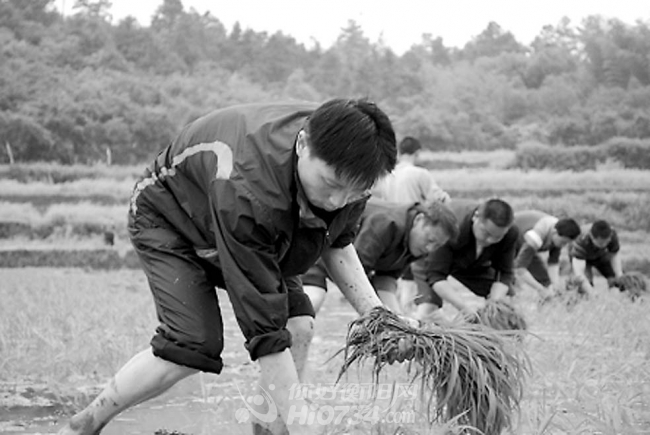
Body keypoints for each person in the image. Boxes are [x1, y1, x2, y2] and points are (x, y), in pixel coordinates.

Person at [56, 99, 399, 435]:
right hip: (171, 216)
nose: (337, 202)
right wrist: (300, 414)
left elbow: (336, 241)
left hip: (250, 218)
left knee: (300, 326)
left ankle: (267, 431)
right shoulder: (248, 190)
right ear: (302, 143)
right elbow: (262, 322)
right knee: (190, 345)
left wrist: (378, 318)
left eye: (353, 193)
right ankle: (83, 425)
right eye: (331, 184)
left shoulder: (352, 162)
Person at [302, 200, 459, 314]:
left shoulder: (414, 243)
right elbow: (354, 274)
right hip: (317, 249)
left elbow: (387, 277)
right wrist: (376, 314)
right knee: (311, 303)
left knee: (396, 316)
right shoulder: (386, 224)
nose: (430, 248)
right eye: (430, 240)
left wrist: (396, 317)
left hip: (347, 267)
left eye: (437, 246)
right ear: (419, 220)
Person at [412, 198, 518, 323]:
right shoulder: (451, 228)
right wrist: (464, 308)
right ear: (476, 217)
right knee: (427, 311)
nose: (490, 240)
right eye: (486, 233)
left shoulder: (510, 233)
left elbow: (504, 272)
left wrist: (494, 303)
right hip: (431, 257)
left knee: (505, 302)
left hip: (471, 262)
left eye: (497, 237)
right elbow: (436, 275)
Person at [513, 210, 581, 299]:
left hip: (525, 242)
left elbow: (553, 263)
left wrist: (555, 285)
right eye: (563, 242)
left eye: (566, 243)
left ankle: (551, 299)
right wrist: (540, 289)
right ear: (554, 233)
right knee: (509, 278)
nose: (563, 246)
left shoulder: (560, 232)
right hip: (511, 238)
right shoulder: (536, 237)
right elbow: (520, 269)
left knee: (546, 281)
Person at [371, 136, 450, 204]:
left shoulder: (387, 176)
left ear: (400, 153)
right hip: (413, 219)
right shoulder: (420, 173)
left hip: (393, 219)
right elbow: (438, 199)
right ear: (417, 153)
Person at [569, 220, 623, 294]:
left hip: (602, 255)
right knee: (586, 283)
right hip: (582, 257)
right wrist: (591, 292)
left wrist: (619, 275)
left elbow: (614, 255)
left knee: (614, 278)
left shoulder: (612, 234)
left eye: (606, 242)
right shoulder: (581, 240)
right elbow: (579, 275)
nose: (604, 245)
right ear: (592, 237)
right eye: (601, 243)